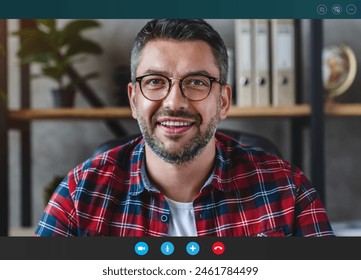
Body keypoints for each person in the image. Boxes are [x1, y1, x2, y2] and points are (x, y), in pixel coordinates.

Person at [35, 19, 334, 237]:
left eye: (196, 82)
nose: (174, 102)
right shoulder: (79, 195)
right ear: (133, 99)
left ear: (224, 101)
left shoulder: (288, 190)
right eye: (154, 82)